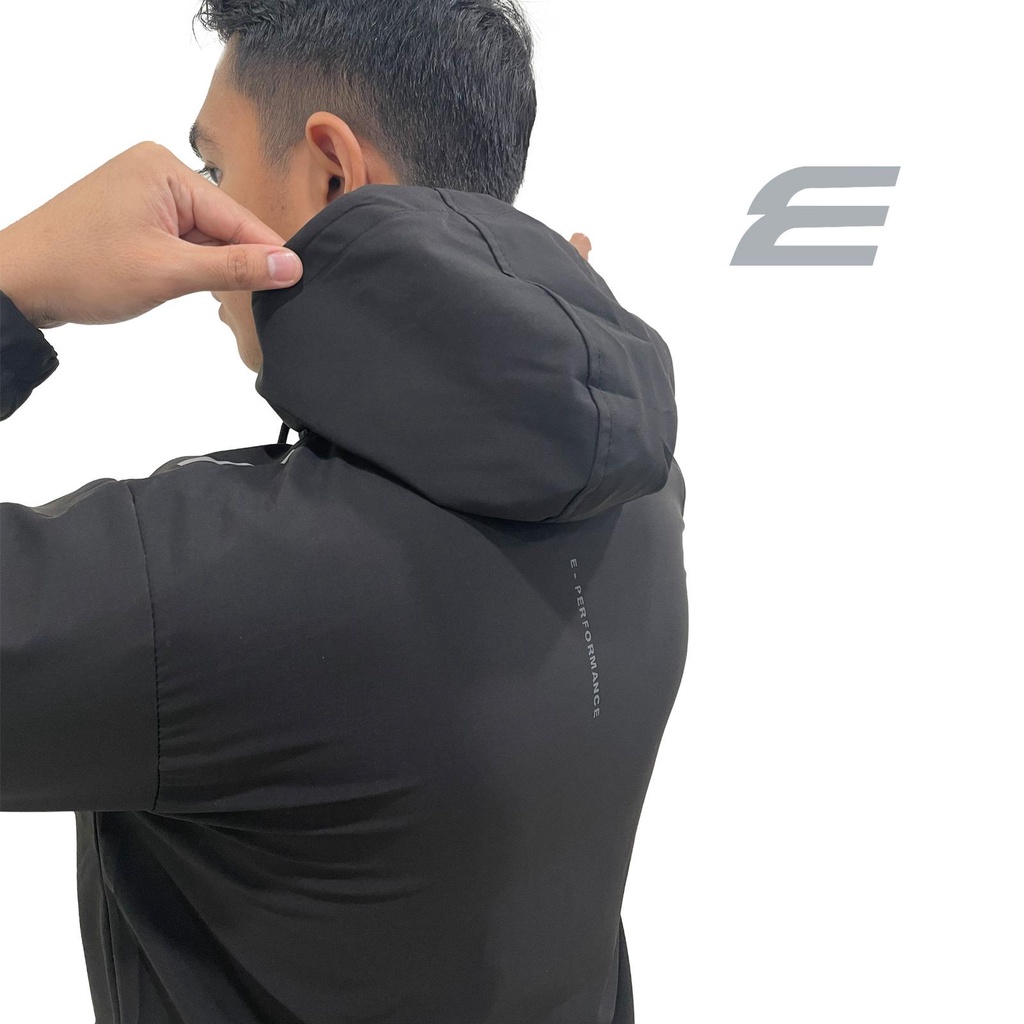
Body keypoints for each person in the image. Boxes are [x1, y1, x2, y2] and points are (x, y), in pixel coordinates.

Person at [0, 3, 687, 1022]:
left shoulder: (219, 591)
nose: (195, 212)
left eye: (215, 169)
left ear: (330, 171)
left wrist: (14, 280)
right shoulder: (636, 485)